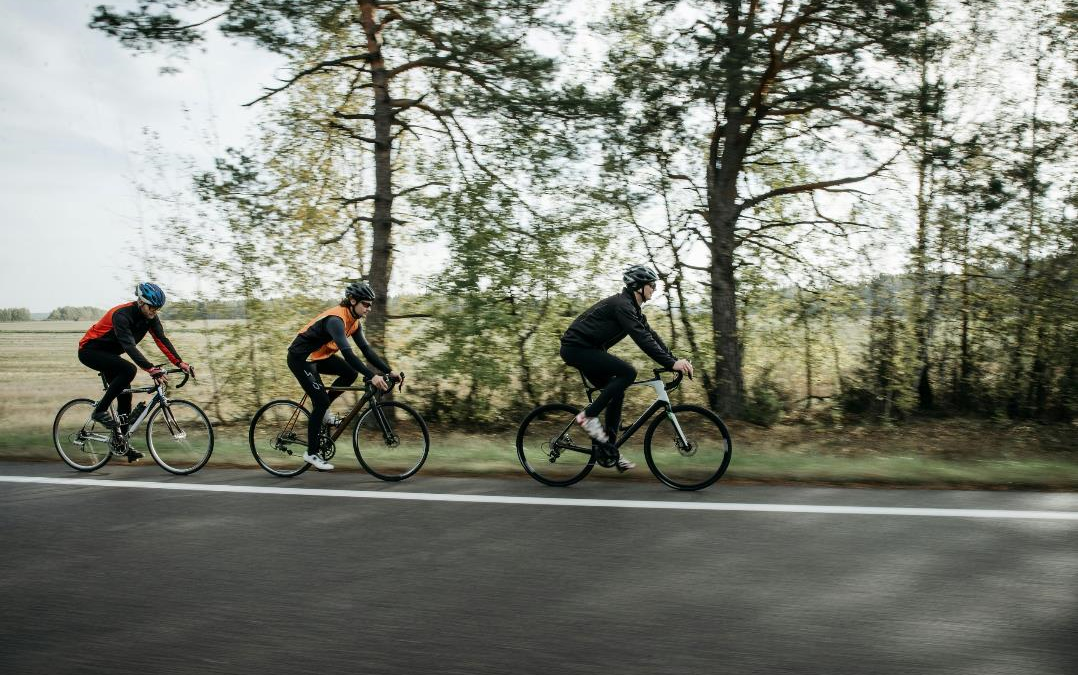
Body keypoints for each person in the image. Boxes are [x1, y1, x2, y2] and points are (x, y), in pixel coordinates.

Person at [560, 264, 694, 471]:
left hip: (590, 350)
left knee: (617, 390)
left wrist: (674, 361)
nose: (654, 289)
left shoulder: (632, 308)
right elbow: (641, 339)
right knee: (628, 372)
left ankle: (609, 451)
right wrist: (670, 363)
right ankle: (587, 417)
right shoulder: (622, 305)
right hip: (576, 349)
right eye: (652, 285)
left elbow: (651, 336)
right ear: (638, 286)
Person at [287, 281, 398, 471]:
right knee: (320, 401)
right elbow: (348, 353)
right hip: (300, 358)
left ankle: (323, 413)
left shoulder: (354, 322)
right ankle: (312, 453)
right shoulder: (336, 319)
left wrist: (388, 371)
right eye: (365, 304)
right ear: (352, 301)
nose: (368, 308)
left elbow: (366, 350)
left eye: (370, 304)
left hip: (318, 357)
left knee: (351, 373)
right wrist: (372, 376)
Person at [78, 283, 193, 461]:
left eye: (158, 308)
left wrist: (180, 362)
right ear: (140, 302)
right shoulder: (121, 315)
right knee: (129, 369)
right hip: (90, 351)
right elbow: (129, 346)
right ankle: (99, 411)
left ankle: (121, 444)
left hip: (110, 355)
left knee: (125, 395)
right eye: (152, 307)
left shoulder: (151, 318)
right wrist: (150, 368)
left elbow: (162, 340)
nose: (154, 311)